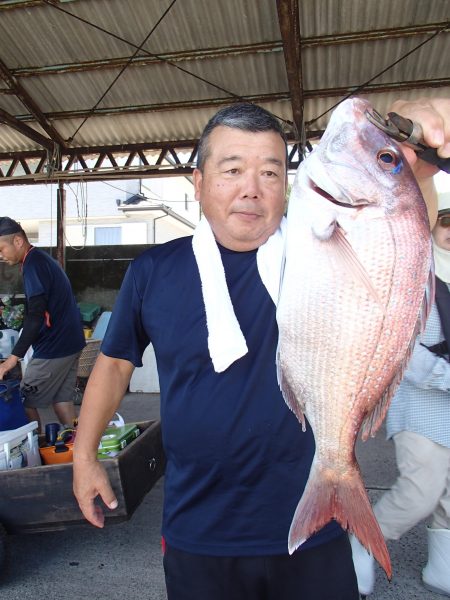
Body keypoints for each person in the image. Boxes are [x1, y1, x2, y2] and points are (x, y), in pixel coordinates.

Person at [73, 98, 449, 600]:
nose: (252, 188)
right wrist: (83, 455)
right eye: (232, 169)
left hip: (313, 527)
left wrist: (415, 167)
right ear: (199, 182)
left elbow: (396, 234)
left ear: (288, 186)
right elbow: (116, 364)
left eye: (271, 173)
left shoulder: (315, 248)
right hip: (199, 529)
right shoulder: (153, 271)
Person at [351, 193, 450, 597]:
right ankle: (361, 542)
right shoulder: (413, 271)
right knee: (420, 491)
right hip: (420, 403)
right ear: (430, 225)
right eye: (447, 221)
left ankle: (441, 568)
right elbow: (398, 346)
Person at [0, 217, 85, 431]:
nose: (1, 255)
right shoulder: (41, 260)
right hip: (71, 343)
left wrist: (12, 360)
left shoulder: (33, 265)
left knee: (25, 400)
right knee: (62, 399)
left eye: (1, 248)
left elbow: (36, 316)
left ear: (18, 241)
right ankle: (76, 444)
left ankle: (34, 452)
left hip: (54, 348)